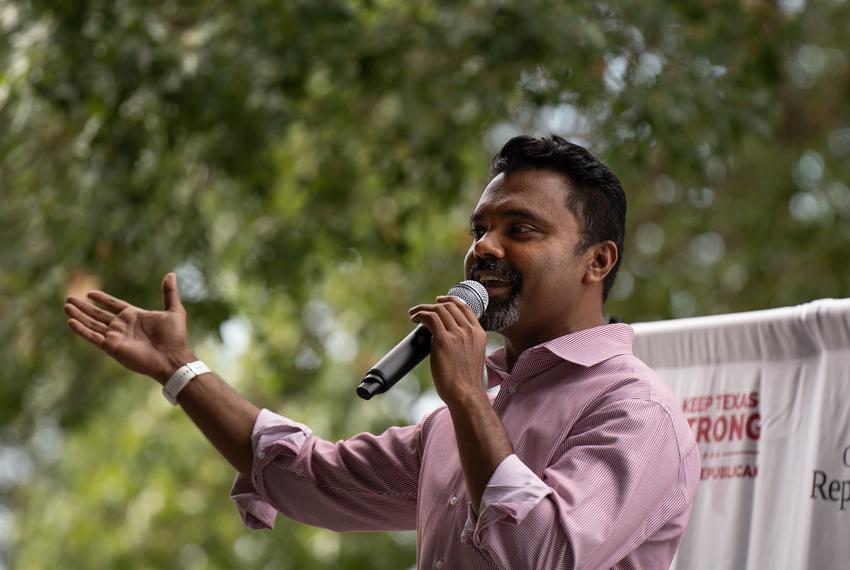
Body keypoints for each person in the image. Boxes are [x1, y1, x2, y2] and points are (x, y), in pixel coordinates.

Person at [65, 135, 700, 569]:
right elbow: (309, 477)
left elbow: (538, 555)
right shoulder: (463, 421)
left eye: (520, 229)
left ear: (598, 260)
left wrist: (467, 396)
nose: (485, 247)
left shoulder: (636, 412)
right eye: (481, 228)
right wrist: (181, 370)